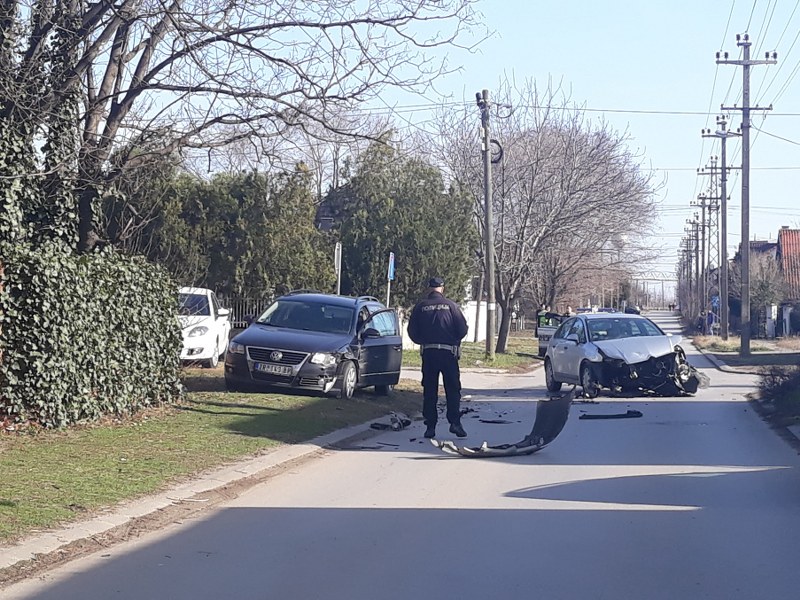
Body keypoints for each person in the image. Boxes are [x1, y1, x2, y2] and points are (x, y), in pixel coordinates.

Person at [407, 276, 469, 439]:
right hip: (448, 353)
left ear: (429, 288)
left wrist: (424, 340)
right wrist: (453, 339)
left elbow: (412, 332)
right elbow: (462, 329)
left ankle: (430, 426)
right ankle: (455, 423)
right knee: (453, 389)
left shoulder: (420, 307)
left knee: (430, 390)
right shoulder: (451, 306)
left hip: (429, 353)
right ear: (442, 288)